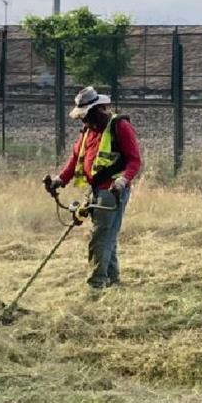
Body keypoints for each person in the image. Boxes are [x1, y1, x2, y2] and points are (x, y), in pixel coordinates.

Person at [45, 86, 143, 289]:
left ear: (98, 110)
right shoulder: (87, 131)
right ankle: (112, 281)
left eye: (85, 116)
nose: (82, 120)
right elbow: (75, 160)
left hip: (113, 192)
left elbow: (134, 160)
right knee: (108, 237)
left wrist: (122, 181)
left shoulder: (120, 127)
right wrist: (59, 180)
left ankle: (96, 284)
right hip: (96, 190)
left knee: (100, 238)